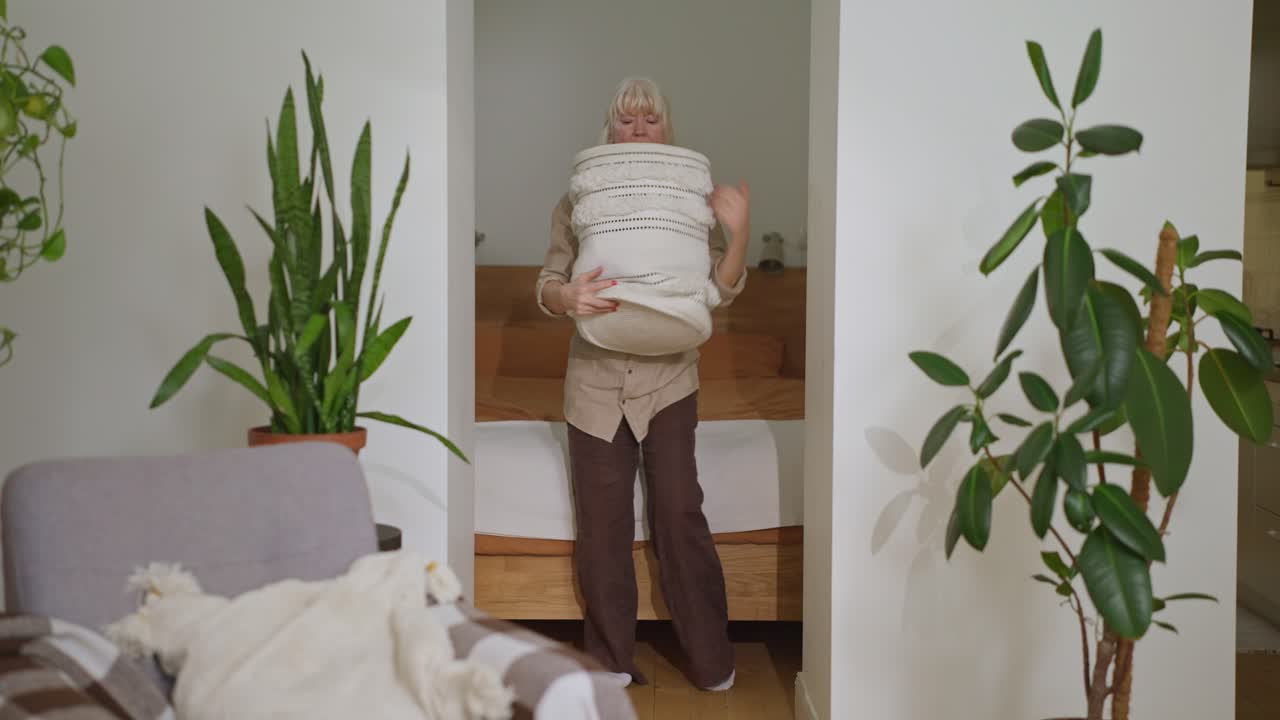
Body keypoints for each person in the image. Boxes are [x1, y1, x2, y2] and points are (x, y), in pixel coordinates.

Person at [535, 77, 750, 691]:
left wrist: (738, 234)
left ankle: (711, 658)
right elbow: (546, 283)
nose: (637, 131)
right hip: (595, 386)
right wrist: (566, 294)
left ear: (667, 128)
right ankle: (609, 664)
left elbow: (719, 289)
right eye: (625, 121)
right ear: (609, 131)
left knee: (680, 514)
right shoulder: (579, 200)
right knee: (602, 528)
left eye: (648, 121)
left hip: (670, 379)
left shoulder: (691, 198)